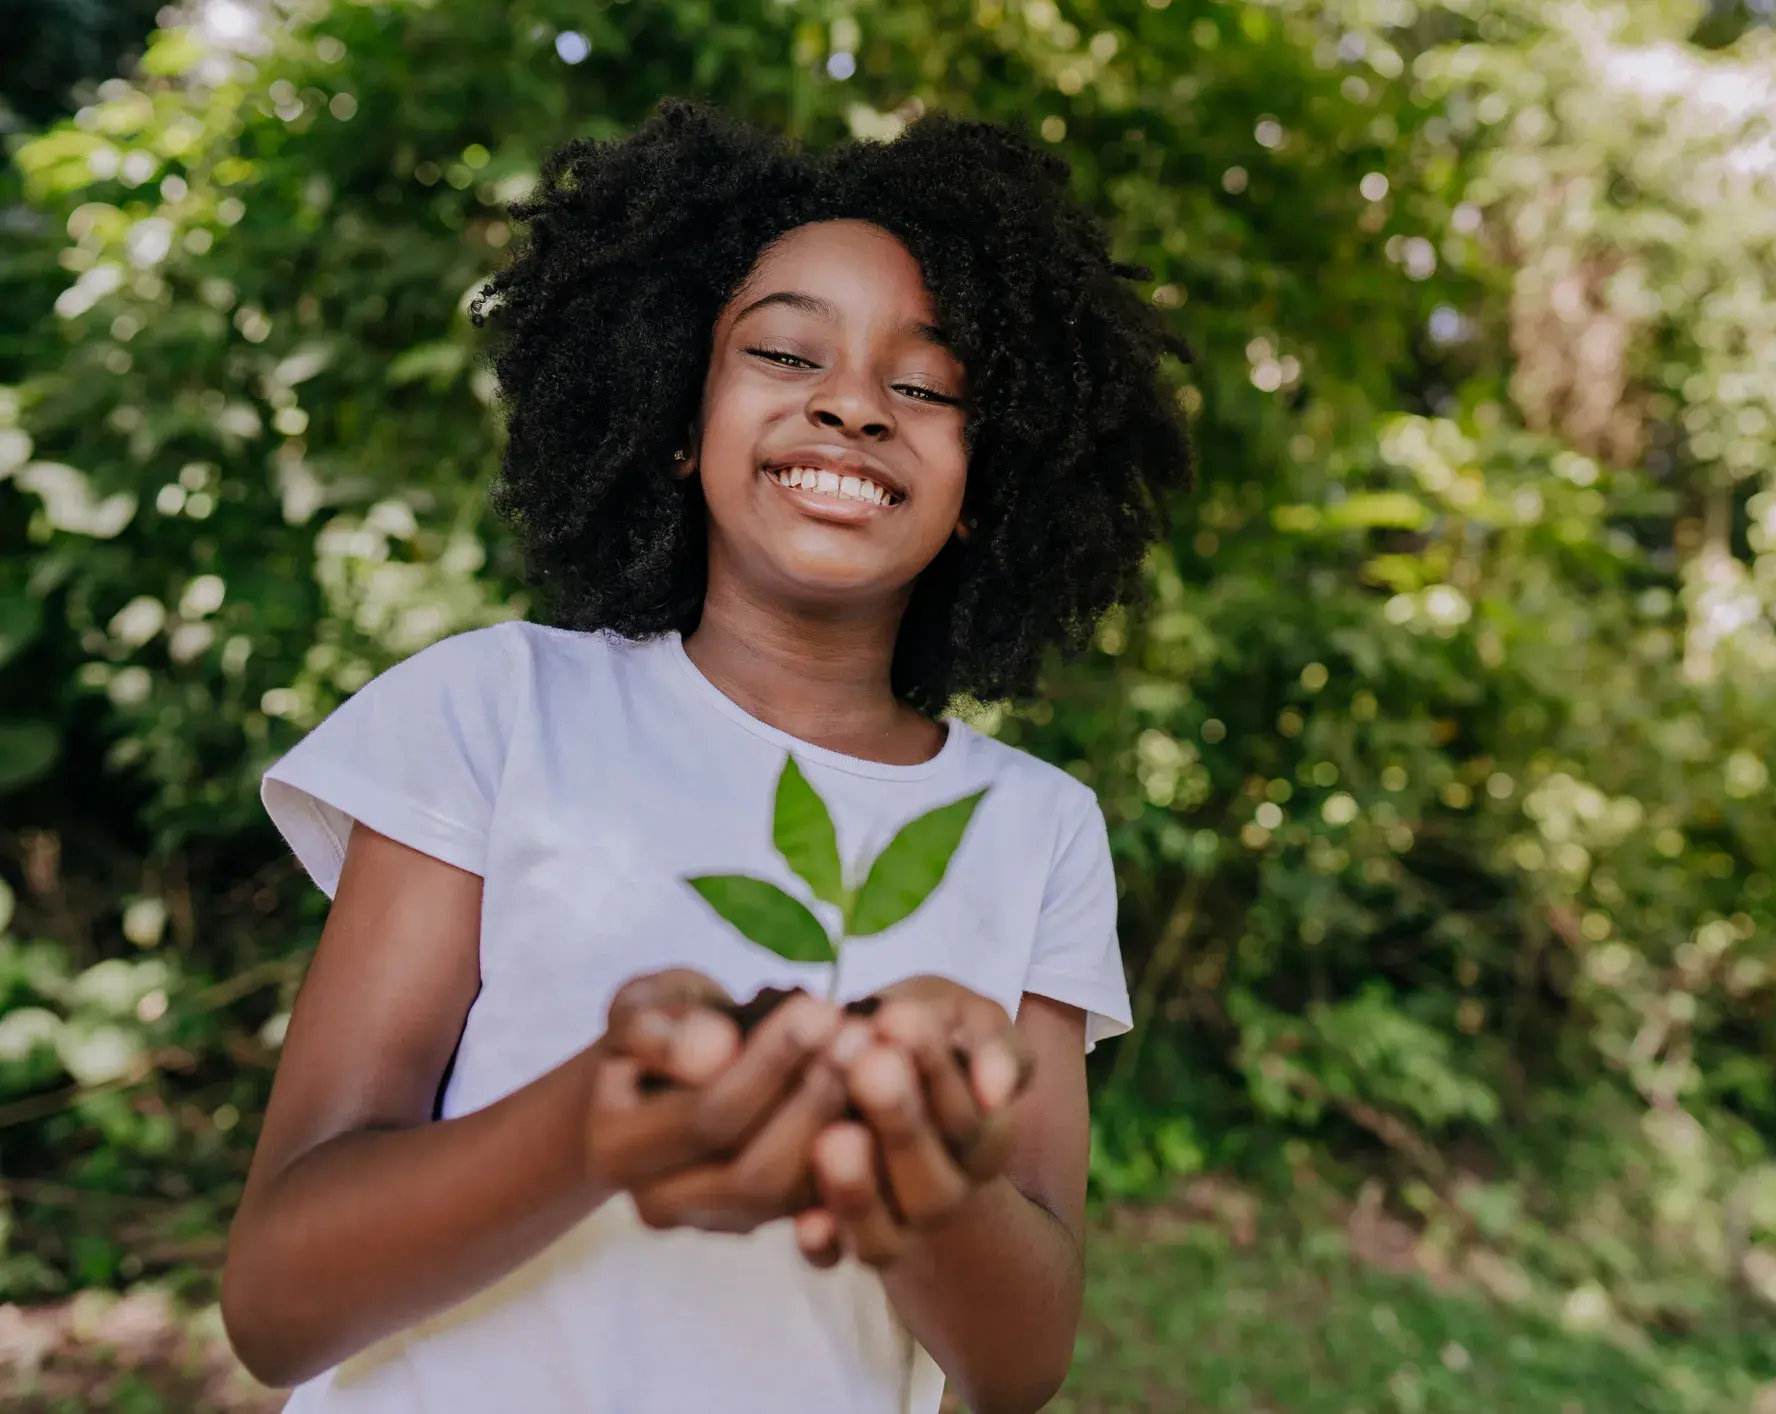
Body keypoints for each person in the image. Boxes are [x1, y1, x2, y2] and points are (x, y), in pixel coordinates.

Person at [219, 101, 1191, 1414]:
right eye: (788, 352)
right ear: (677, 415)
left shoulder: (1037, 831)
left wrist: (916, 1165)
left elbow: (1019, 1364)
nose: (853, 403)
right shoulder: (494, 711)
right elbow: (277, 1302)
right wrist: (594, 1126)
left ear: (986, 482)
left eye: (925, 384)